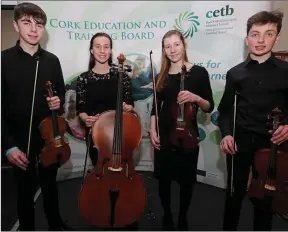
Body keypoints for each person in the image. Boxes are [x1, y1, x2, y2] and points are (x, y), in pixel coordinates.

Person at [1, 2, 71, 231]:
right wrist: (8, 146)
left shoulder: (52, 60)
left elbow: (59, 93)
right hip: (18, 141)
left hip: (49, 138)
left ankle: (55, 224)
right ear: (16, 25)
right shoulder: (3, 60)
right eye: (27, 23)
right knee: (24, 191)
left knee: (51, 186)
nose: (33, 29)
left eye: (39, 24)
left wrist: (57, 101)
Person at [218, 10, 288, 231]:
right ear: (247, 38)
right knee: (234, 194)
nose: (260, 40)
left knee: (265, 199)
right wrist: (227, 133)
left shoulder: (286, 71)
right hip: (240, 143)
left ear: (276, 37)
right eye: (255, 34)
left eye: (268, 34)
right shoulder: (235, 74)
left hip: (272, 145)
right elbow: (225, 111)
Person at [149, 29, 214, 230]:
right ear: (164, 50)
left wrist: (196, 98)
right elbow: (155, 108)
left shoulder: (199, 72)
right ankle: (167, 214)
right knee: (164, 181)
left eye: (176, 44)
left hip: (187, 135)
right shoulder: (161, 76)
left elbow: (209, 106)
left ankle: (183, 216)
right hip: (165, 133)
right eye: (167, 46)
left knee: (187, 182)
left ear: (184, 44)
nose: (172, 49)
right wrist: (152, 130)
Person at [75, 32, 137, 230]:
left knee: (123, 176)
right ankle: (101, 212)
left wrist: (129, 108)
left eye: (106, 46)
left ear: (111, 49)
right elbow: (80, 109)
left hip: (120, 137)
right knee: (100, 176)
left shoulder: (122, 77)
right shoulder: (83, 79)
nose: (102, 50)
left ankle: (125, 211)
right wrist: (86, 118)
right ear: (91, 50)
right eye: (98, 46)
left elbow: (130, 105)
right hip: (97, 138)